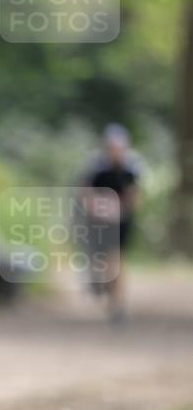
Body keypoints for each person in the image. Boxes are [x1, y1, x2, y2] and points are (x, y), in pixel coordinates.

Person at [79, 123, 140, 323]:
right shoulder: (97, 170)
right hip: (99, 222)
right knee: (105, 260)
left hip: (121, 222)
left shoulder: (130, 170)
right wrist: (100, 211)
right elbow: (86, 196)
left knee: (117, 261)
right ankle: (106, 289)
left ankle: (117, 304)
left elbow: (135, 198)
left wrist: (121, 210)